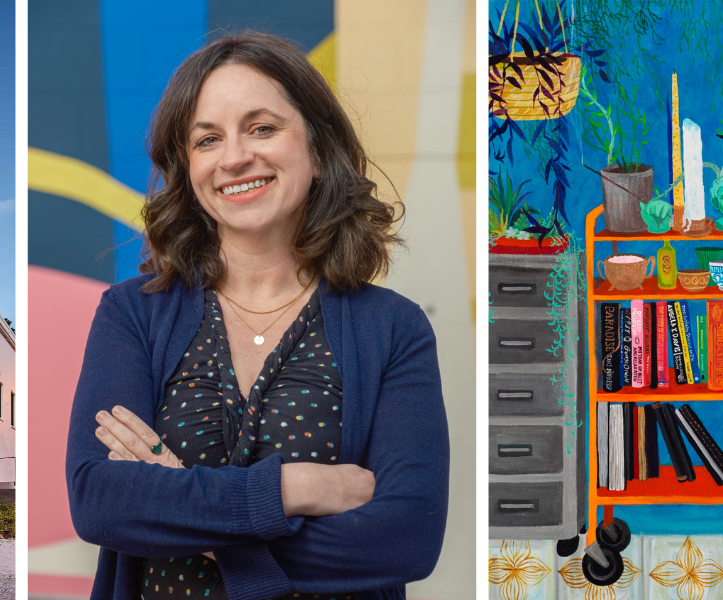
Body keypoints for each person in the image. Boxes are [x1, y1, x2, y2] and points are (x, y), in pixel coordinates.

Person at [65, 31, 448, 600]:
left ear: (317, 151)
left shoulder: (394, 328)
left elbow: (404, 540)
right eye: (207, 139)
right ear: (189, 171)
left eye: (262, 128)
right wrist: (293, 489)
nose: (235, 156)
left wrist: (185, 506)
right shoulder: (132, 314)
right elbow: (102, 502)